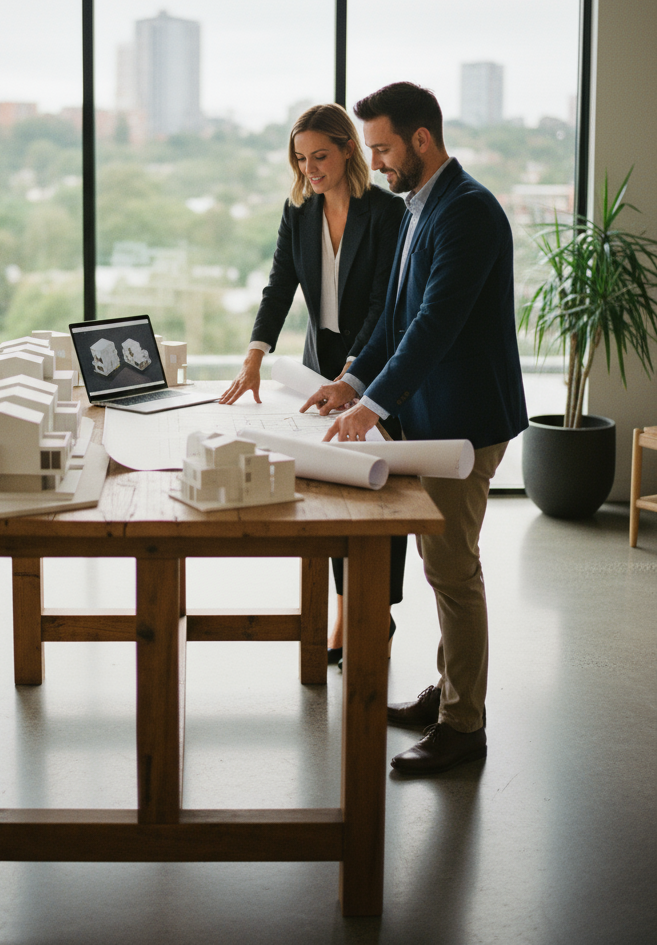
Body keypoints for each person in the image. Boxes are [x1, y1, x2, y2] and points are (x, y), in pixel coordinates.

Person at [301, 82, 527, 775]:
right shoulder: (419, 206)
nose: (378, 162)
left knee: (454, 570)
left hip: (465, 422)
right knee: (439, 567)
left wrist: (371, 406)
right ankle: (449, 692)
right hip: (427, 416)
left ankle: (465, 724)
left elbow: (434, 327)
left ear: (422, 140)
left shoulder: (469, 213)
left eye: (384, 148)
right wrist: (352, 379)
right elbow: (395, 317)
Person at [219, 103, 406, 660]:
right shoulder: (298, 211)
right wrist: (255, 354)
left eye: (320, 156)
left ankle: (374, 613)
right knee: (331, 486)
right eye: (301, 160)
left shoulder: (386, 212)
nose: (310, 170)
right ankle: (349, 613)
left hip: (373, 363)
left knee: (379, 488)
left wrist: (355, 373)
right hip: (318, 363)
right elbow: (279, 288)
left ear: (349, 149)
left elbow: (383, 304)